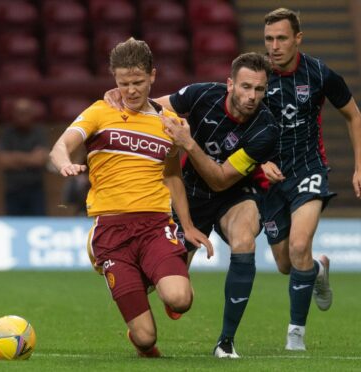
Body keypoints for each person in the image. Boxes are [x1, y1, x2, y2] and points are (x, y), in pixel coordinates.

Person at [105, 52, 281, 358]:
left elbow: (221, 180)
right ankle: (123, 279)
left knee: (243, 241)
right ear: (230, 84)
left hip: (236, 194)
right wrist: (122, 99)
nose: (252, 96)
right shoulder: (202, 95)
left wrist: (188, 144)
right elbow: (153, 109)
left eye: (259, 90)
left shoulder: (265, 129)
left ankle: (226, 343)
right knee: (168, 296)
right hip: (191, 195)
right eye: (245, 87)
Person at [49, 38, 213, 358]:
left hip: (155, 225)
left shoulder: (169, 123)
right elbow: (60, 145)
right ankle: (138, 323)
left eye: (138, 82)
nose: (131, 90)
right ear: (114, 80)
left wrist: (189, 226)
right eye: (123, 83)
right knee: (145, 339)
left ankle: (150, 278)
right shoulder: (100, 111)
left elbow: (172, 176)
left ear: (153, 76)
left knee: (181, 299)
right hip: (111, 231)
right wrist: (64, 163)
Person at [260, 8, 361, 350]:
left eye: (282, 38)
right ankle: (317, 269)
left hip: (309, 169)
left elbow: (353, 116)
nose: (275, 46)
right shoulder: (256, 73)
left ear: (298, 38)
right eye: (269, 39)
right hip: (268, 179)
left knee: (298, 245)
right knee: (286, 263)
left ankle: (296, 333)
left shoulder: (319, 73)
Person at [0, 97, 48, 216]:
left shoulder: (38, 133)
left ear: (31, 114)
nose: (22, 116)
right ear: (13, 114)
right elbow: (3, 161)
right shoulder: (7, 134)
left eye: (26, 112)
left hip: (35, 190)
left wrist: (15, 158)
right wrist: (30, 158)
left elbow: (40, 160)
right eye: (19, 113)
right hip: (13, 190)